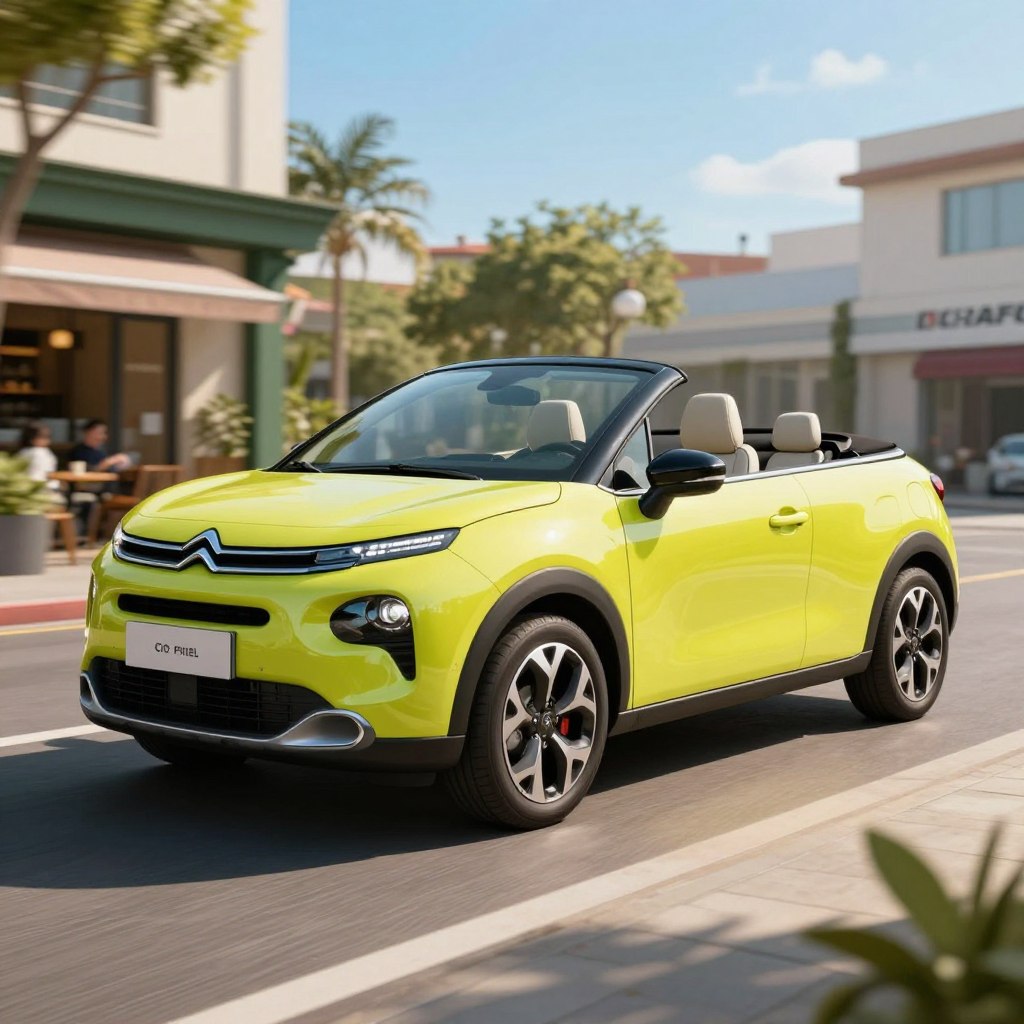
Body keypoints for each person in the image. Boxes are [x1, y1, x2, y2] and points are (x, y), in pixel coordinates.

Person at [16, 421, 61, 497]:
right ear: (31, 438)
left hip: (44, 487)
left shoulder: (24, 452)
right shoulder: (34, 452)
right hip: (40, 489)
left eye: (48, 437)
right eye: (42, 437)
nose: (46, 440)